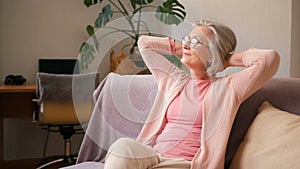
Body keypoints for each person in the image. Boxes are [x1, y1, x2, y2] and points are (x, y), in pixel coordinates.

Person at [103, 19, 280, 169]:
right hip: (151, 155)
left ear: (213, 53)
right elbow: (145, 44)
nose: (187, 43)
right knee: (122, 148)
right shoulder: (175, 80)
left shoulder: (227, 88)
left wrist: (226, 59)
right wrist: (187, 48)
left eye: (195, 42)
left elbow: (269, 59)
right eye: (187, 38)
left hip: (184, 164)